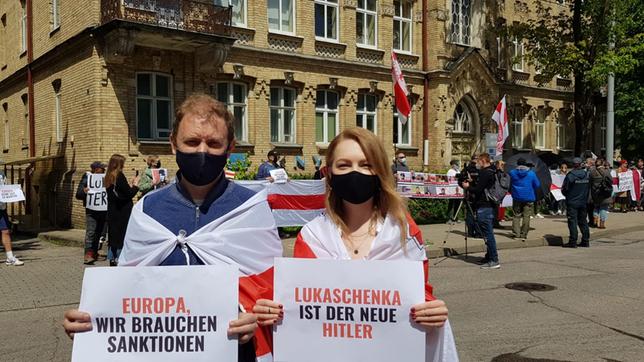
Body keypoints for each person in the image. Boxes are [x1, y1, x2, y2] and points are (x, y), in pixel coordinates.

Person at [63, 94, 282, 362]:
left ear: (229, 147)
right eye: (191, 141)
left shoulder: (252, 209)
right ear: (173, 144)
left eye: (214, 143)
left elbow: (274, 297)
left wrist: (255, 316)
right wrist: (91, 323)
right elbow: (125, 299)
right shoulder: (147, 211)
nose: (202, 151)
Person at [292, 128, 457, 361]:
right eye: (344, 165)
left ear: (379, 172)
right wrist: (275, 312)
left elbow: (419, 297)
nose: (355, 172)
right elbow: (300, 310)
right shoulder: (312, 237)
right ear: (330, 173)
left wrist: (433, 312)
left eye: (366, 165)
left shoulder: (403, 232)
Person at [462, 153, 500, 269]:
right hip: (489, 205)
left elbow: (478, 190)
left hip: (484, 206)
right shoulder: (492, 171)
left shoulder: (485, 173)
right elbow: (483, 188)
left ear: (483, 160)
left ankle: (494, 260)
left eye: (478, 161)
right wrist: (472, 181)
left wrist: (467, 187)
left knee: (488, 234)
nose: (476, 164)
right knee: (487, 233)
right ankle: (489, 256)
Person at [104, 154, 140, 266]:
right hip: (122, 211)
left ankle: (112, 257)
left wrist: (128, 186)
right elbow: (128, 194)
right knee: (122, 235)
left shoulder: (108, 176)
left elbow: (119, 193)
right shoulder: (119, 176)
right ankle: (120, 258)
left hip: (113, 210)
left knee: (114, 235)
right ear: (119, 164)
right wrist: (135, 185)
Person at [75, 161, 108, 264]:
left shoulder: (105, 177)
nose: (103, 170)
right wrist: (84, 191)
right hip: (91, 210)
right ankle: (88, 255)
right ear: (95, 169)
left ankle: (95, 253)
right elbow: (78, 194)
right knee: (91, 232)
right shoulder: (87, 177)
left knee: (99, 232)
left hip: (103, 210)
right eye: (101, 168)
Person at [561, 157, 590, 248]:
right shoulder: (586, 175)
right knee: (583, 221)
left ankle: (573, 241)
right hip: (583, 202)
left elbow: (565, 189)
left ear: (573, 165)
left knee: (572, 222)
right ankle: (585, 241)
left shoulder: (570, 175)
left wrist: (568, 195)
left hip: (572, 202)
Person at [509, 158, 541, 240]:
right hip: (529, 197)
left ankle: (516, 234)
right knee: (526, 216)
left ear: (517, 164)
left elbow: (509, 183)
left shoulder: (512, 173)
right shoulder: (531, 173)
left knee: (516, 215)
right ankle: (524, 234)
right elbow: (537, 185)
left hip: (516, 196)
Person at [0, 172, 24, 266]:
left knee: (5, 231)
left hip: (1, 208)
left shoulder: (2, 174)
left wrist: (16, 192)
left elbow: (6, 189)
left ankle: (10, 258)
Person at [590, 158, 613, 229]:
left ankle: (595, 221)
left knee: (596, 207)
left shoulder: (592, 172)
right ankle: (602, 223)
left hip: (595, 192)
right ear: (603, 163)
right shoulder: (606, 171)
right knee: (603, 208)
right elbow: (611, 180)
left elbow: (590, 182)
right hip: (604, 192)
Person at [585, 158, 597, 227]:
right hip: (592, 192)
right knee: (591, 208)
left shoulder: (591, 170)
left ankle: (592, 222)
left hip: (591, 192)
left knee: (590, 207)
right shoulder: (591, 170)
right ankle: (592, 221)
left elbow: (587, 180)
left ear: (590, 163)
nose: (585, 163)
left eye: (587, 162)